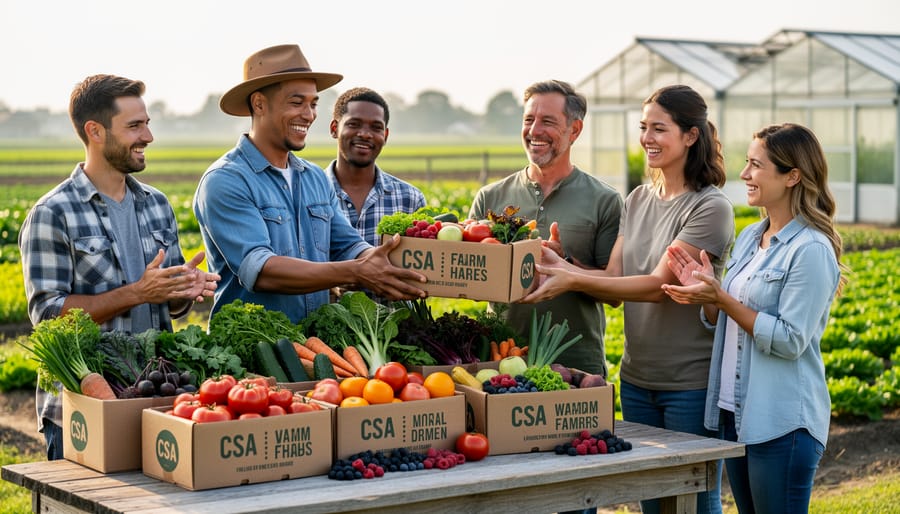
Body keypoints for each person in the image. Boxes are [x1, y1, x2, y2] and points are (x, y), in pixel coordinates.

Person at [520, 84, 735, 514]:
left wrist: (571, 280)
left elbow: (658, 287)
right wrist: (564, 262)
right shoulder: (638, 198)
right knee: (652, 502)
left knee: (692, 498)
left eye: (659, 129)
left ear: (690, 136)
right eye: (643, 128)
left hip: (688, 383)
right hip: (638, 378)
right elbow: (615, 277)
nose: (647, 139)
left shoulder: (710, 207)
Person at [19, 74, 219, 460]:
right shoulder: (52, 213)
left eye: (147, 123)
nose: (148, 136)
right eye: (134, 126)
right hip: (84, 411)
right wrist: (137, 293)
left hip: (156, 398)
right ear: (95, 131)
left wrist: (182, 290)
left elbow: (167, 303)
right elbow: (48, 319)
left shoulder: (156, 204)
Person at [662, 123, 847, 513]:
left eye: (756, 165)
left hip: (782, 422)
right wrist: (707, 292)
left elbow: (790, 340)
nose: (744, 174)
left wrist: (723, 300)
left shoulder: (810, 249)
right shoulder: (751, 237)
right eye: (746, 163)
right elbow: (723, 320)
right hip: (737, 413)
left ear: (792, 176)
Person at [193, 44, 425, 324]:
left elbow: (347, 244)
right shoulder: (226, 180)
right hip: (253, 354)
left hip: (314, 349)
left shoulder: (313, 178)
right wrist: (357, 271)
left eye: (313, 103)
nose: (309, 115)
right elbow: (262, 270)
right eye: (296, 102)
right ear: (259, 104)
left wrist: (381, 262)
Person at [470, 79, 622, 378]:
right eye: (529, 120)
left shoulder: (605, 200)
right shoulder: (491, 197)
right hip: (501, 358)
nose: (534, 130)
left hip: (576, 364)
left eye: (548, 121)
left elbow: (614, 292)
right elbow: (473, 284)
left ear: (574, 130)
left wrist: (565, 266)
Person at [325, 86, 425, 248]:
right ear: (334, 129)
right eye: (354, 124)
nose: (365, 134)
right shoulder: (309, 194)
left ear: (385, 136)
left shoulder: (410, 199)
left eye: (376, 127)